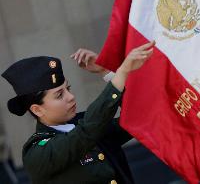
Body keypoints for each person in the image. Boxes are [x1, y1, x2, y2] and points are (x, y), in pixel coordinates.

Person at [1, 41, 155, 184]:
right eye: (59, 95)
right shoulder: (37, 153)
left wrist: (106, 71)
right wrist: (121, 73)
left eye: (68, 89)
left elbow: (136, 119)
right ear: (37, 109)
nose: (71, 97)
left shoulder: (86, 122)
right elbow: (86, 132)